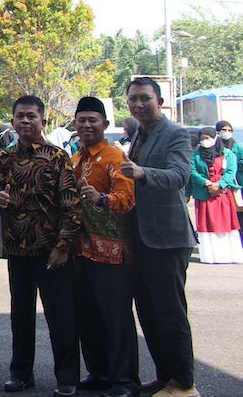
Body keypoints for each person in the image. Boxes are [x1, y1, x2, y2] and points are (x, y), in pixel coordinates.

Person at [0, 95, 81, 396]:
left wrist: (63, 246)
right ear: (13, 121)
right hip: (17, 250)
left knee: (60, 315)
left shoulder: (57, 157)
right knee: (21, 315)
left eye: (31, 116)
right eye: (20, 116)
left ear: (42, 120)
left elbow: (72, 206)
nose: (25, 121)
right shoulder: (5, 158)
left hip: (50, 250)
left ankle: (67, 376)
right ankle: (21, 373)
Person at [119, 78, 199, 397]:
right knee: (149, 314)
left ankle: (184, 383)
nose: (138, 105)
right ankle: (166, 376)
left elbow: (179, 175)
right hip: (141, 238)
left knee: (170, 313)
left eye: (145, 99)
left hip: (167, 239)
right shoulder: (139, 132)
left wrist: (143, 173)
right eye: (133, 99)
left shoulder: (176, 133)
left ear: (160, 101)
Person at [69, 96, 139, 397]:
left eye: (92, 120)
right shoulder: (76, 159)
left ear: (105, 125)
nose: (86, 125)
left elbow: (126, 201)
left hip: (112, 254)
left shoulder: (115, 158)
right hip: (82, 251)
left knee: (117, 319)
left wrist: (100, 198)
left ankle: (125, 381)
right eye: (81, 120)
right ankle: (99, 373)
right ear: (74, 123)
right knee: (88, 316)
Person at [189, 126, 243, 264]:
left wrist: (219, 185)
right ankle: (210, 257)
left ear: (214, 138)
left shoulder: (227, 154)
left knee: (226, 223)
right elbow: (192, 171)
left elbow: (231, 171)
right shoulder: (195, 155)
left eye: (207, 138)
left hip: (223, 194)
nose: (204, 141)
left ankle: (228, 255)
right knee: (207, 225)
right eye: (202, 139)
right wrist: (207, 183)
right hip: (204, 194)